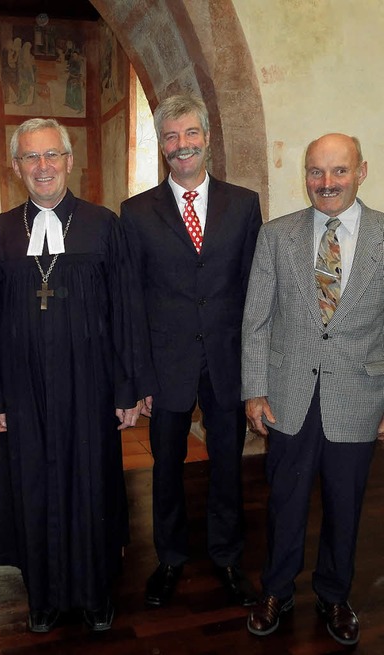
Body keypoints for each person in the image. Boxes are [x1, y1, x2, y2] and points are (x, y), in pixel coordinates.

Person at [0, 118, 154, 633]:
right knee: (33, 485)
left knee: (92, 483)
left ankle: (96, 592)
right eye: (31, 158)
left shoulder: (103, 225)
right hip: (23, 387)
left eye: (52, 155)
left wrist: (128, 386)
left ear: (69, 161)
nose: (43, 167)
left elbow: (126, 309)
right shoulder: (0, 233)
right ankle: (44, 595)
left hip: (92, 387)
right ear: (16, 167)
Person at [120, 93, 262, 609]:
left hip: (227, 361)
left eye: (190, 135)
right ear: (162, 146)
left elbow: (253, 291)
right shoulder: (135, 213)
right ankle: (170, 558)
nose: (182, 146)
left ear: (207, 138)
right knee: (166, 467)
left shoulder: (244, 205)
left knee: (227, 462)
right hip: (166, 364)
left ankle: (226, 557)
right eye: (171, 137)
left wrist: (256, 371)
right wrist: (140, 378)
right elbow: (131, 301)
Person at [242, 133, 384, 647]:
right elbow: (256, 320)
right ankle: (276, 589)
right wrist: (254, 389)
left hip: (358, 398)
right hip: (287, 396)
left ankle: (334, 594)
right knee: (285, 501)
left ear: (361, 172)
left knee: (346, 506)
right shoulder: (277, 235)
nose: (326, 183)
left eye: (339, 171)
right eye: (316, 172)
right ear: (304, 175)